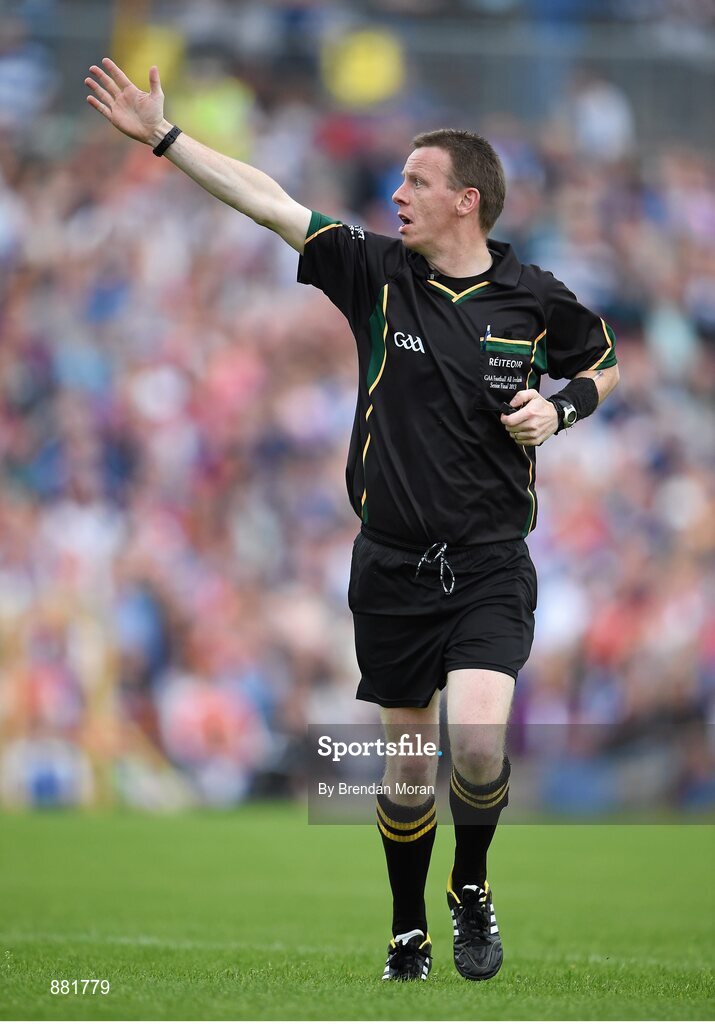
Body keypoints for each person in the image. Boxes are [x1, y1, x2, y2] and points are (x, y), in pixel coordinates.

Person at [85, 58, 620, 983]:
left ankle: (472, 887)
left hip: (491, 560)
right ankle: (407, 924)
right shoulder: (376, 273)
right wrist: (166, 141)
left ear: (466, 201)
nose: (395, 194)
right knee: (409, 772)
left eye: (414, 181)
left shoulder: (535, 298)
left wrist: (561, 408)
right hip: (392, 566)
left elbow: (603, 363)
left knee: (482, 742)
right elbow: (268, 201)